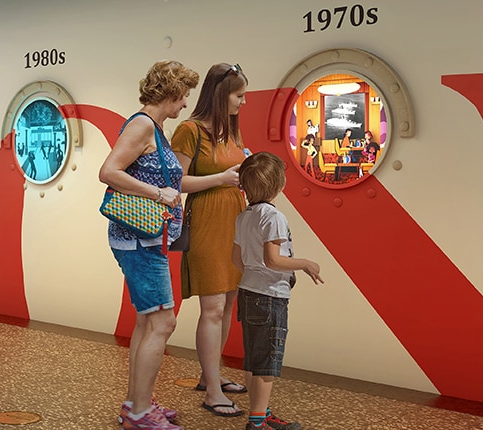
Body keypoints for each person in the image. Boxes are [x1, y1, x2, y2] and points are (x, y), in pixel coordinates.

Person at [100, 60, 198, 430]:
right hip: (139, 241)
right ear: (171, 93)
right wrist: (157, 193)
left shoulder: (154, 129)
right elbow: (108, 171)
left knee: (147, 321)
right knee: (163, 322)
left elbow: (172, 181)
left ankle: (137, 402)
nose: (185, 103)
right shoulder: (142, 125)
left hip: (147, 240)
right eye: (183, 96)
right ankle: (140, 413)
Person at [168, 62, 250, 418]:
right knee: (213, 307)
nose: (243, 102)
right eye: (238, 95)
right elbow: (175, 183)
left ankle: (210, 375)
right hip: (206, 222)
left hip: (234, 222)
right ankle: (213, 391)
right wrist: (222, 178)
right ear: (220, 94)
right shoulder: (189, 131)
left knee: (228, 303)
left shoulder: (230, 131)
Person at [232, 152, 323, 430]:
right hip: (269, 297)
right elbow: (273, 260)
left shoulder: (244, 216)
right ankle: (257, 421)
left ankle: (261, 412)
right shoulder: (273, 217)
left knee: (253, 359)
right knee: (267, 363)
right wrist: (305, 263)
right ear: (279, 185)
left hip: (248, 293)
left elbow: (237, 260)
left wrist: (254, 271)